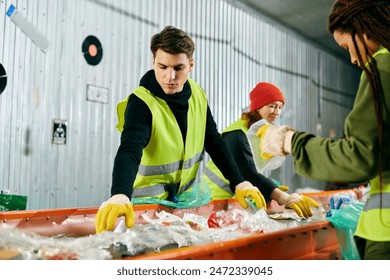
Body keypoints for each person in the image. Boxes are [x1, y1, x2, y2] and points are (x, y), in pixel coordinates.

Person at [95, 26, 266, 233]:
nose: (170, 76)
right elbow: (129, 150)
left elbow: (213, 141)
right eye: (163, 67)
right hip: (147, 210)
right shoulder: (141, 103)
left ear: (191, 65)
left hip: (185, 204)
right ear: (153, 63)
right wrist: (120, 194)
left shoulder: (197, 95)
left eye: (178, 68)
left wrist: (239, 182)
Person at [257, 0, 390, 260]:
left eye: (347, 47)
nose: (352, 59)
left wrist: (291, 142)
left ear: (364, 28)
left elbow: (360, 156)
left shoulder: (381, 66)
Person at [202, 82, 319, 218]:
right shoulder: (236, 134)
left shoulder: (255, 133)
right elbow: (248, 173)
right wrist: (283, 198)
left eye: (280, 107)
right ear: (257, 107)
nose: (277, 112)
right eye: (272, 106)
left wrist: (268, 189)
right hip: (215, 202)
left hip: (234, 201)